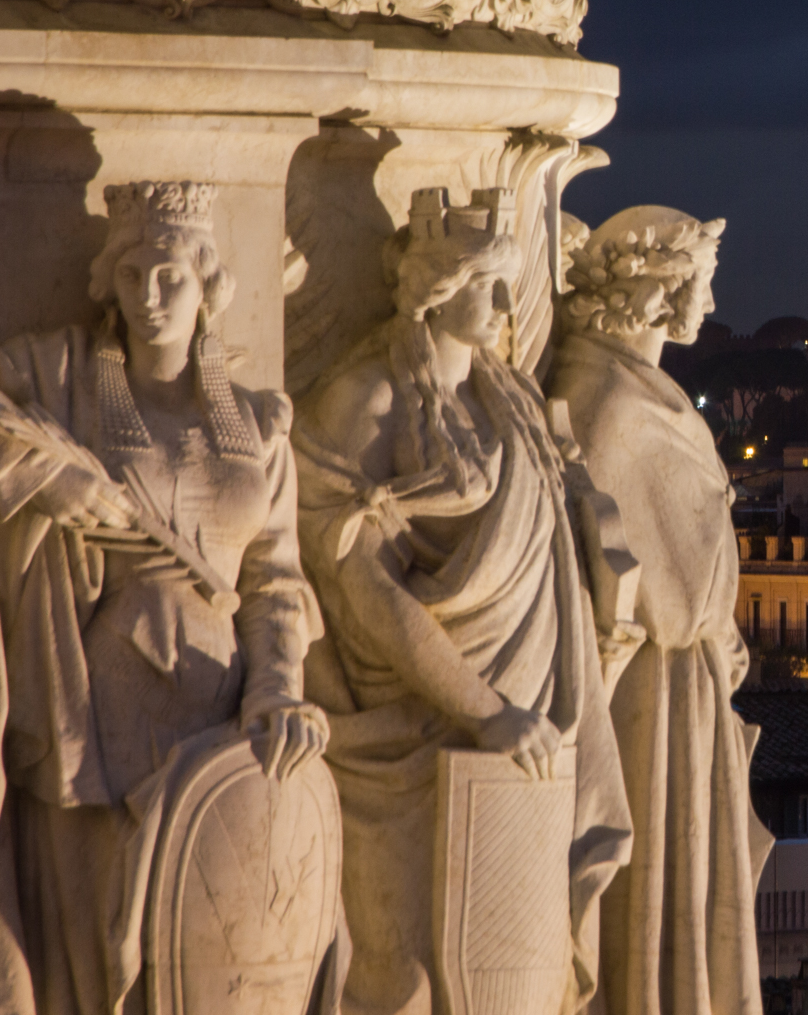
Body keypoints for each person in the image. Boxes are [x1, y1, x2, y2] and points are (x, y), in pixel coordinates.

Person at [0, 181, 333, 1013]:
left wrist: (277, 686)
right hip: (94, 721)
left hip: (226, 722)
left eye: (171, 276)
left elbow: (276, 581)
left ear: (207, 286)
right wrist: (38, 487)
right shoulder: (57, 379)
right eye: (134, 273)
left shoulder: (257, 426)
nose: (150, 296)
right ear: (108, 282)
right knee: (101, 966)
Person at [293, 191, 630, 1015]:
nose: (511, 307)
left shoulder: (510, 400)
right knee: (401, 974)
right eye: (491, 286)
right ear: (437, 290)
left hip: (524, 723)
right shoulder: (363, 403)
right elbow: (363, 592)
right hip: (413, 732)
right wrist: (481, 709)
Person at [549, 207, 771, 1015]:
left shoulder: (633, 390)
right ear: (656, 289)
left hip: (687, 683)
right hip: (655, 688)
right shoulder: (604, 401)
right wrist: (711, 623)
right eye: (699, 283)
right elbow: (661, 592)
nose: (707, 304)